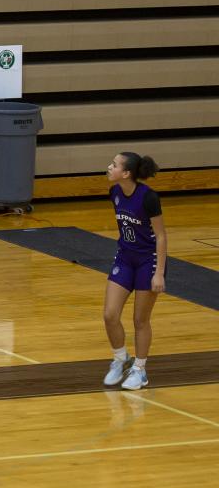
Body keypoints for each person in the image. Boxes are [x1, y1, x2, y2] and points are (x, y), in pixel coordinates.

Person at [102, 152, 166, 391]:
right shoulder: (115, 193)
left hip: (147, 261)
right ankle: (121, 359)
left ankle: (140, 370)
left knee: (140, 320)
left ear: (126, 173)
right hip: (125, 257)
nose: (109, 167)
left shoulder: (148, 197)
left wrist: (158, 272)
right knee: (110, 314)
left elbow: (160, 236)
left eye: (114, 165)